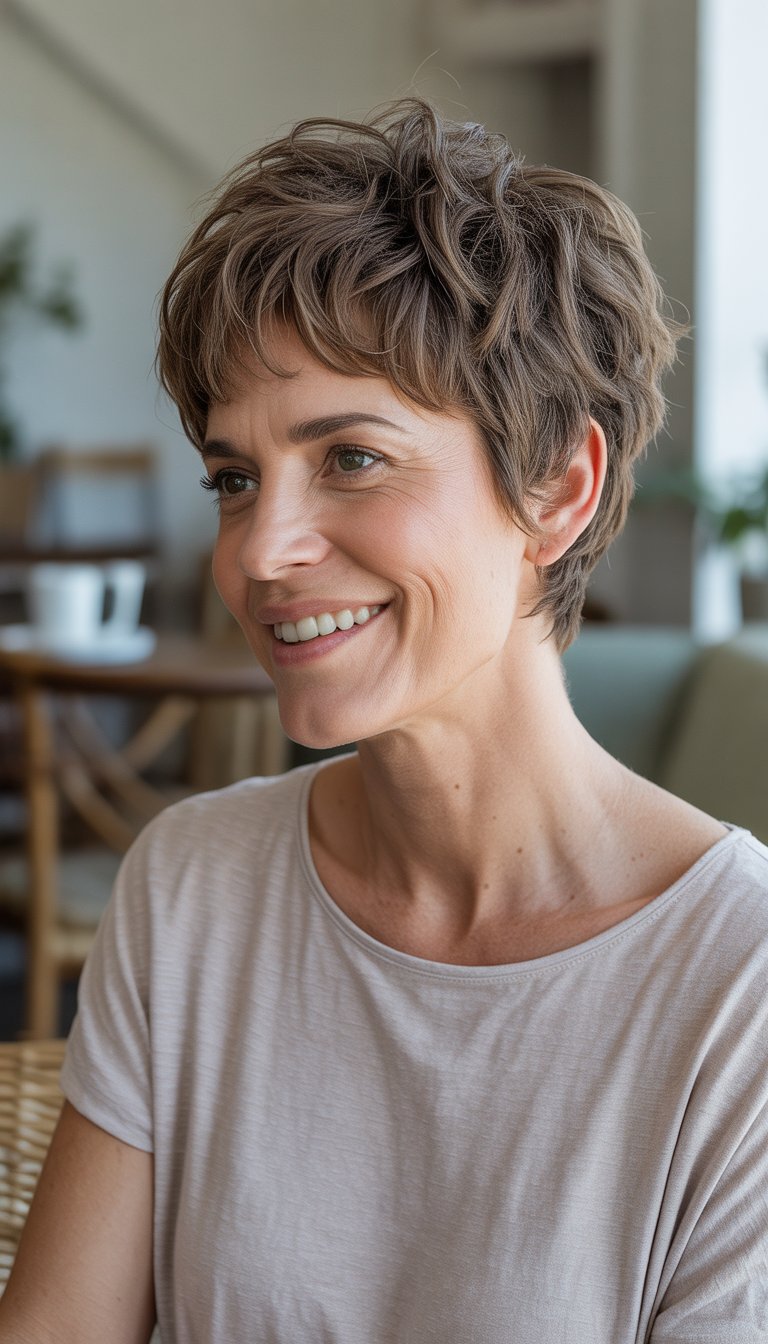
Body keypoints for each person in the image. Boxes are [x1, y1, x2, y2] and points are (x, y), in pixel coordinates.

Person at [1, 99, 766, 1344]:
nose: (260, 552)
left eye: (350, 456)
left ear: (555, 488)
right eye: (233, 478)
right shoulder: (191, 888)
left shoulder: (738, 992)